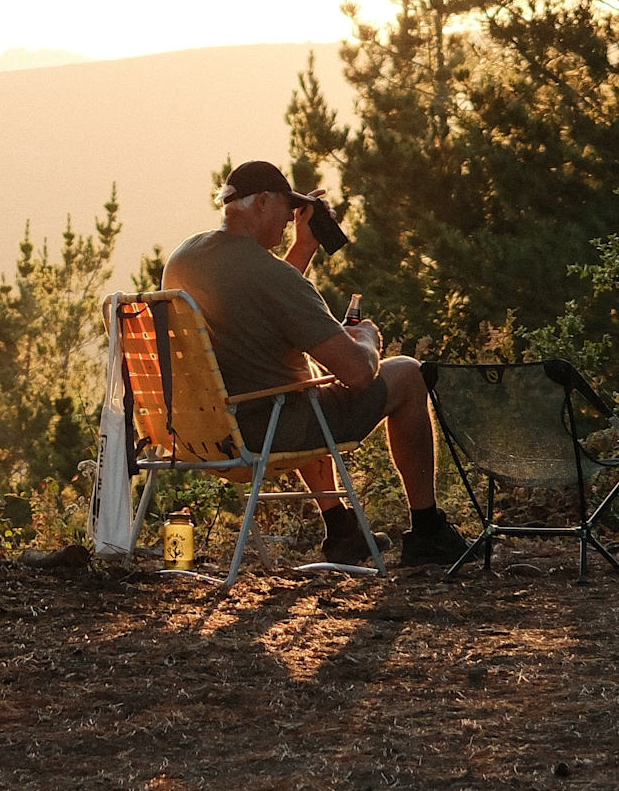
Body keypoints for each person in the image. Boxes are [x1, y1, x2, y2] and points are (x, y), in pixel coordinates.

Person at [161, 161, 468, 567]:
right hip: (268, 428)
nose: (291, 220)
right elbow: (359, 373)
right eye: (288, 210)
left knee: (295, 371)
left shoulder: (186, 257)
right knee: (408, 373)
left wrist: (304, 247)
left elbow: (258, 300)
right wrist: (366, 339)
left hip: (201, 431)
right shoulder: (270, 275)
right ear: (264, 202)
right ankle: (428, 530)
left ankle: (342, 529)